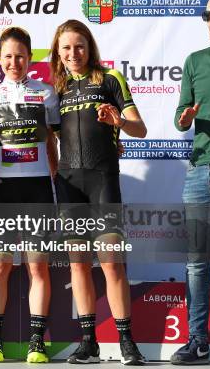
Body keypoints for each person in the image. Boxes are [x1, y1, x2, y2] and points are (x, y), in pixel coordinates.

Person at [49, 19, 147, 365]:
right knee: (78, 265)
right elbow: (48, 137)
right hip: (70, 184)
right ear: (57, 54)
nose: (73, 53)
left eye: (79, 46)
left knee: (112, 264)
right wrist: (53, 171)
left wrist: (118, 122)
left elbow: (141, 129)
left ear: (89, 47)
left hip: (104, 180)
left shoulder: (109, 79)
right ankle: (88, 341)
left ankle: (126, 341)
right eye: (66, 48)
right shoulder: (55, 89)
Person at [0, 27, 59, 363]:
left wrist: (53, 176)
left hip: (38, 187)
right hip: (2, 188)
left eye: (21, 56)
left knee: (37, 268)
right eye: (8, 56)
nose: (15, 62)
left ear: (30, 59)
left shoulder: (46, 93)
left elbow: (54, 142)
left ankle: (36, 342)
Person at [169, 0, 210, 365]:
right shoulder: (194, 61)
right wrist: (185, 118)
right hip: (198, 171)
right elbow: (180, 114)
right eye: (206, 14)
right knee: (196, 262)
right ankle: (198, 341)